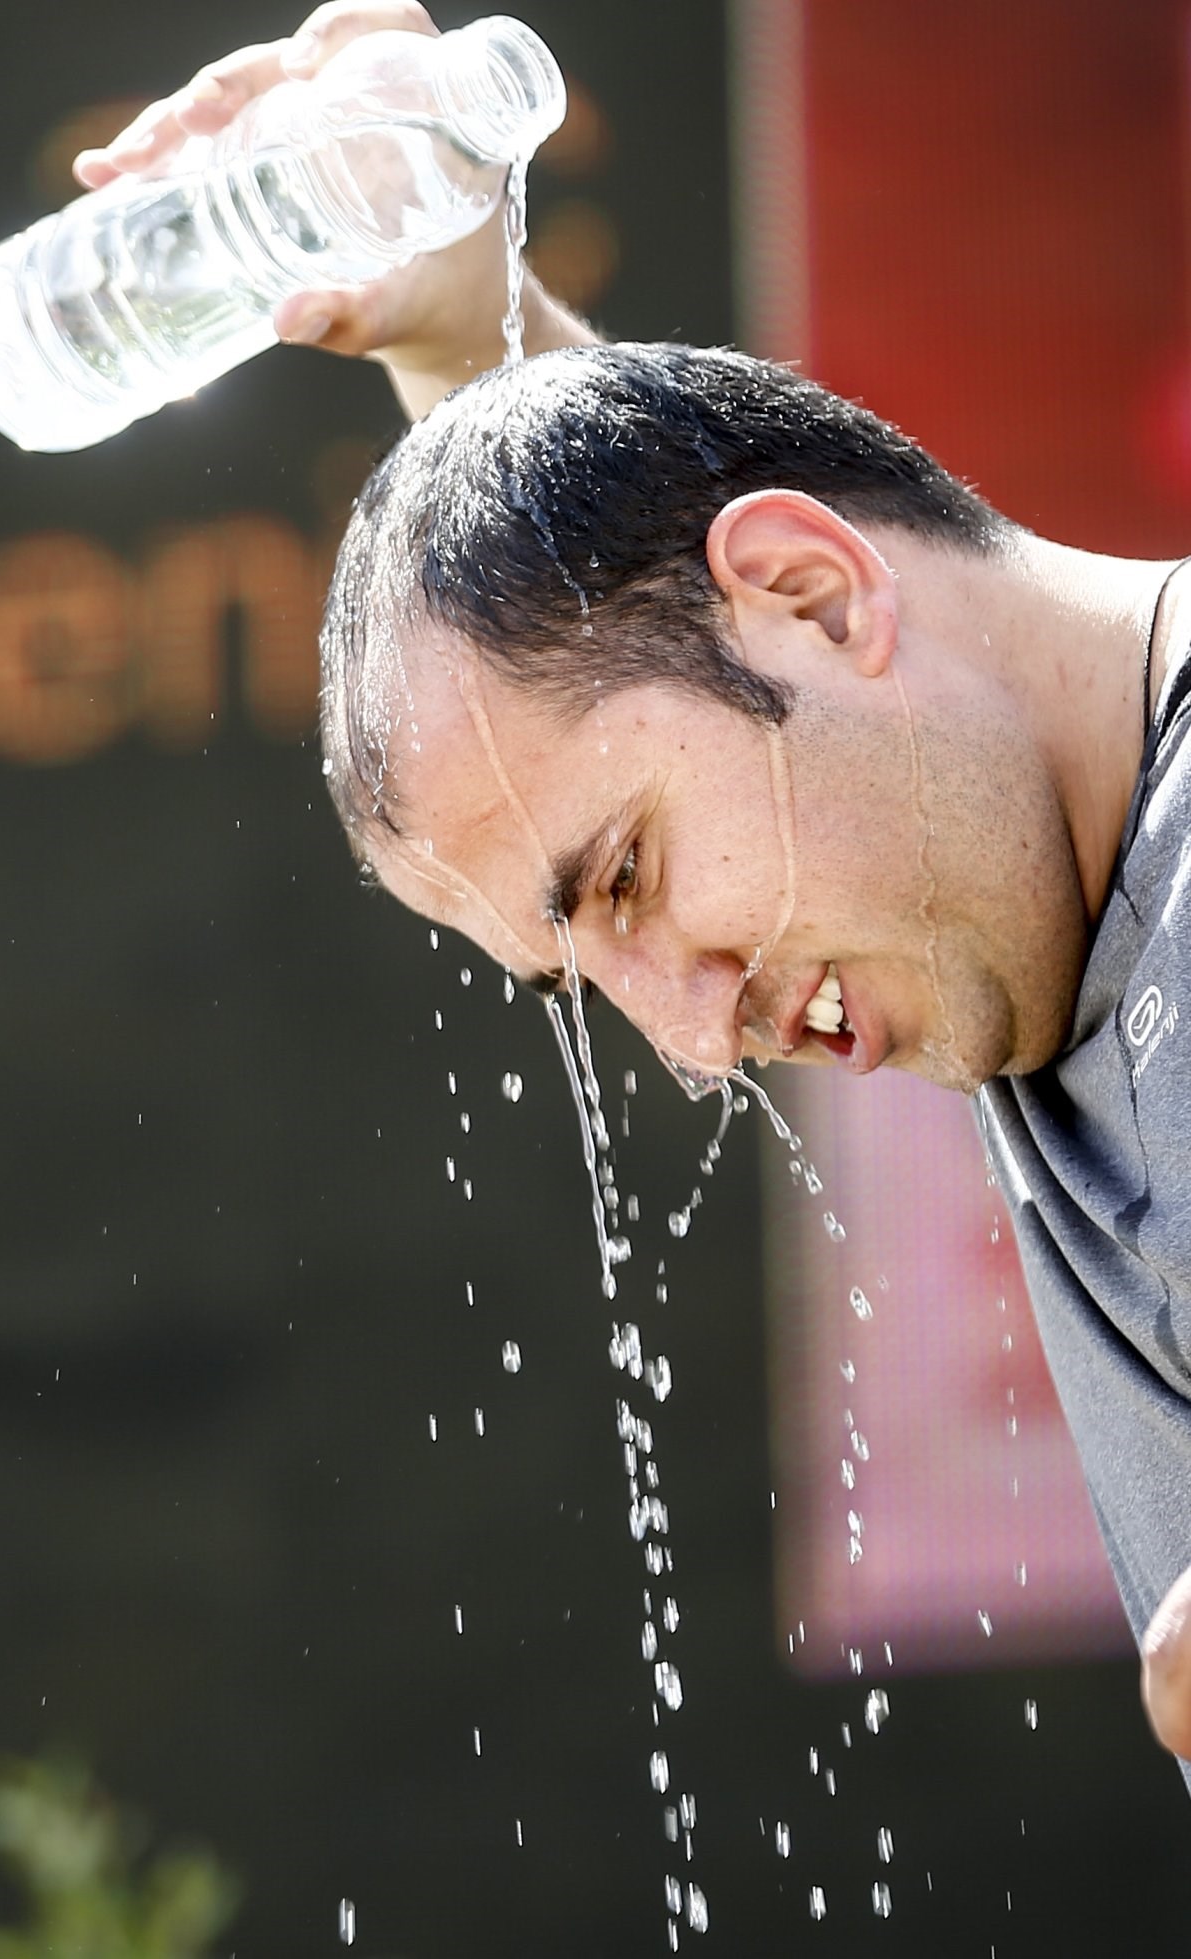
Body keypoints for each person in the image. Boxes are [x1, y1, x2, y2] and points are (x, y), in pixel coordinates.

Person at [76, 0, 1191, 1763]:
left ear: (821, 602)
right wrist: (466, 319)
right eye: (579, 964)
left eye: (628, 881)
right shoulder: (1007, 881)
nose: (692, 1036)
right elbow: (624, 598)